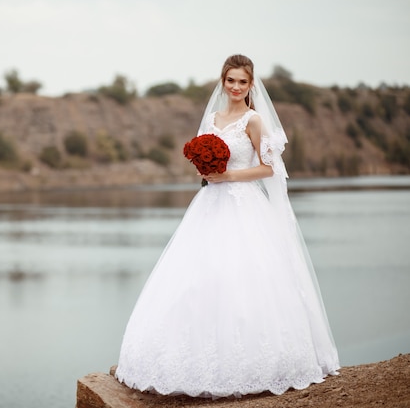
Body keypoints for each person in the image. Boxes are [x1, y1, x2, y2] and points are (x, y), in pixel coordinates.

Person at [115, 54, 340, 399]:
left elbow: (269, 168)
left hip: (243, 203)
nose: (236, 87)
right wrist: (204, 170)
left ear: (251, 85)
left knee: (245, 276)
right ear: (223, 81)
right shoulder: (213, 118)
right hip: (210, 204)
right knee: (197, 277)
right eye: (231, 80)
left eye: (243, 82)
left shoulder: (254, 120)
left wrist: (228, 175)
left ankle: (256, 364)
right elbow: (202, 162)